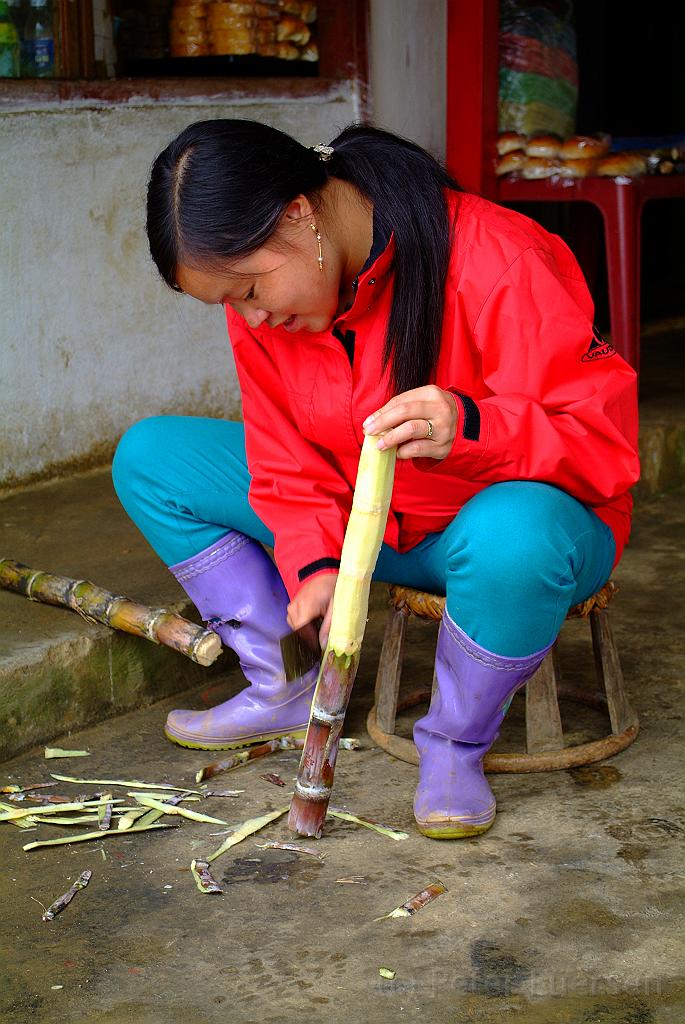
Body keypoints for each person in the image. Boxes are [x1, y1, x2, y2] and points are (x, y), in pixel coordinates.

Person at [112, 119, 639, 840]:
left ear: (299, 212)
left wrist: (473, 425)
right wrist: (315, 565)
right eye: (229, 304)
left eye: (248, 288)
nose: (252, 316)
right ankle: (281, 685)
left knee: (516, 531)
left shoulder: (497, 255)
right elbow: (283, 462)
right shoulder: (267, 311)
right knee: (151, 457)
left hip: (505, 537)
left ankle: (454, 744)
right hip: (367, 522)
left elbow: (605, 447)